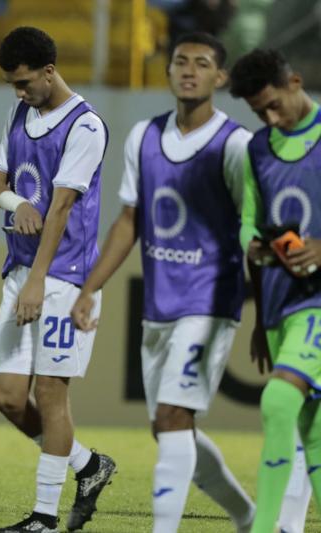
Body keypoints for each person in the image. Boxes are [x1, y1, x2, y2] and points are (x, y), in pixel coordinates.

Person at [70, 32, 257, 532]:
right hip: (158, 305)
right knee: (170, 427)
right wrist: (90, 288)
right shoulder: (144, 136)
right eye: (180, 61)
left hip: (209, 303)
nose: (189, 70)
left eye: (202, 63)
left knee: (174, 417)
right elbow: (129, 221)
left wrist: (264, 311)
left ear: (220, 77)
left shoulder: (235, 144)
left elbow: (253, 229)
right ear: (169, 70)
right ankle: (247, 517)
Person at [0, 27, 115, 533]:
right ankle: (88, 464)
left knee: (52, 394)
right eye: (12, 85)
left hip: (64, 278)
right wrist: (16, 203)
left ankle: (43, 517)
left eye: (24, 83)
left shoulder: (85, 126)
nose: (19, 92)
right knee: (7, 397)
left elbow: (60, 207)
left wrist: (38, 280)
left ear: (49, 71)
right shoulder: (19, 113)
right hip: (20, 270)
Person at [229, 47, 321, 533]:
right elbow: (249, 220)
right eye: (258, 112)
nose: (269, 118)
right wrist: (255, 245)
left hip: (318, 303)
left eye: (273, 106)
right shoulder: (258, 148)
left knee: (278, 402)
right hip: (281, 302)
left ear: (295, 82)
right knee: (313, 431)